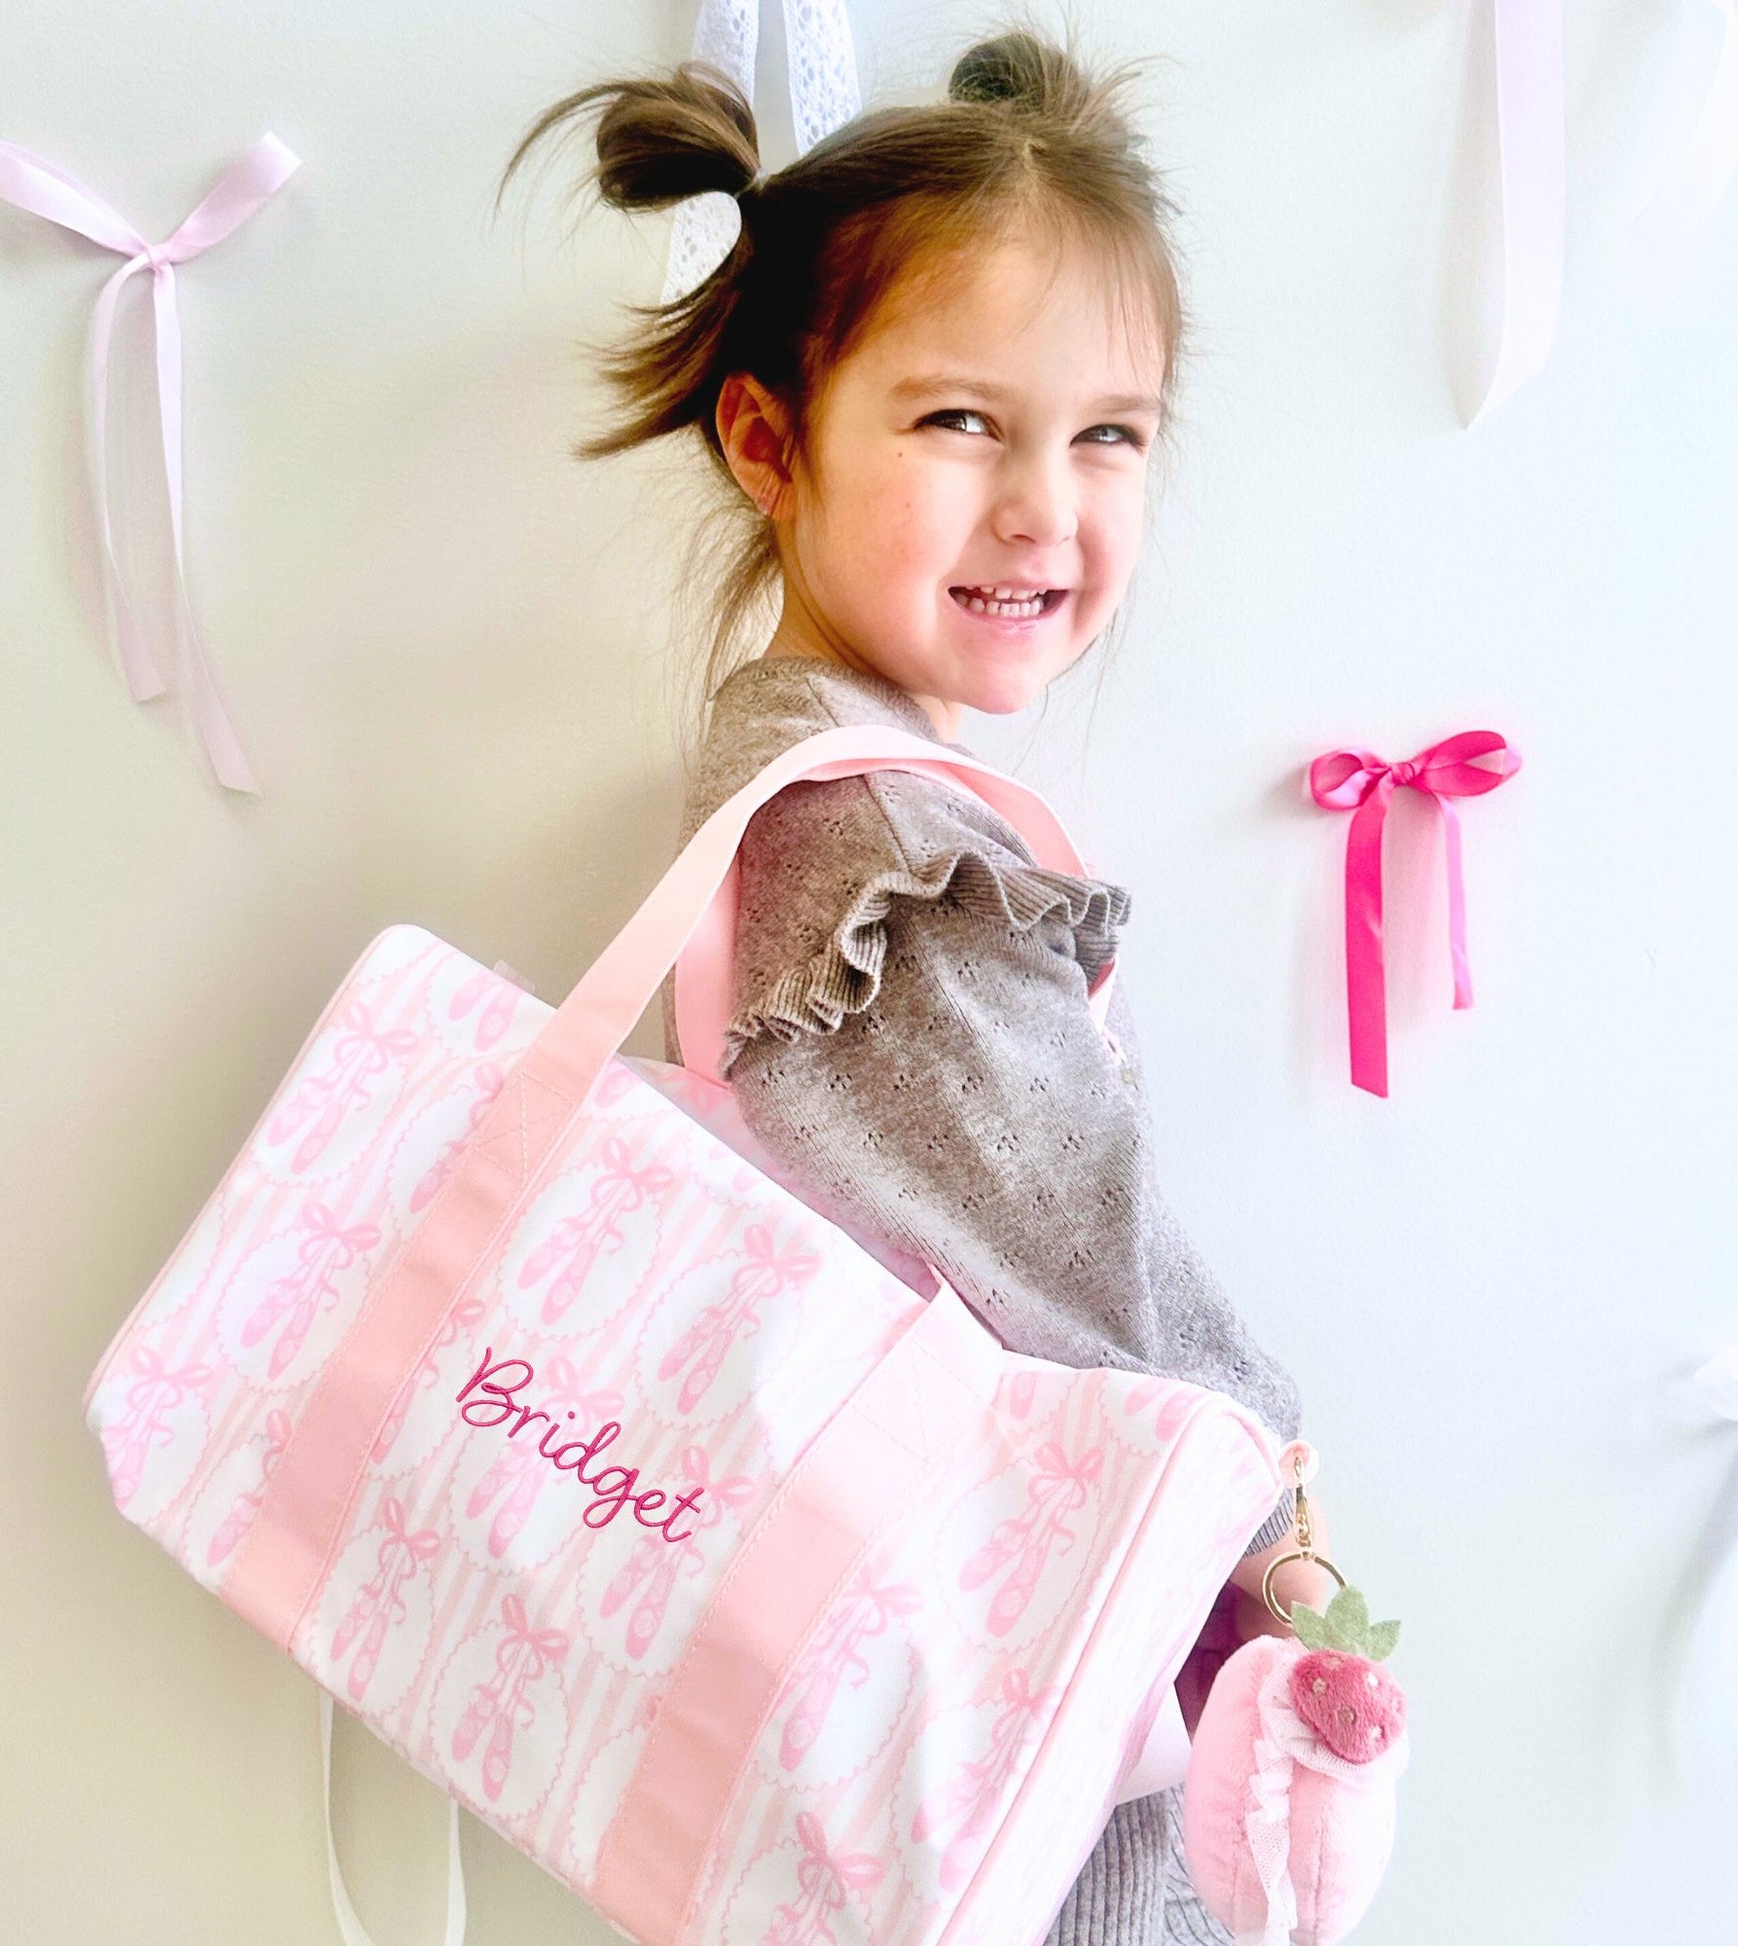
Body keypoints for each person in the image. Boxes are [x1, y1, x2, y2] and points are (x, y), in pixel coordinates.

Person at [503, 29, 1339, 1944]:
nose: (1046, 506)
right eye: (961, 423)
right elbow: (1082, 1273)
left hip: (888, 1721)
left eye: (1109, 431)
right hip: (1013, 1752)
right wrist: (1283, 1524)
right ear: (768, 437)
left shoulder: (818, 780)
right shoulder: (879, 847)